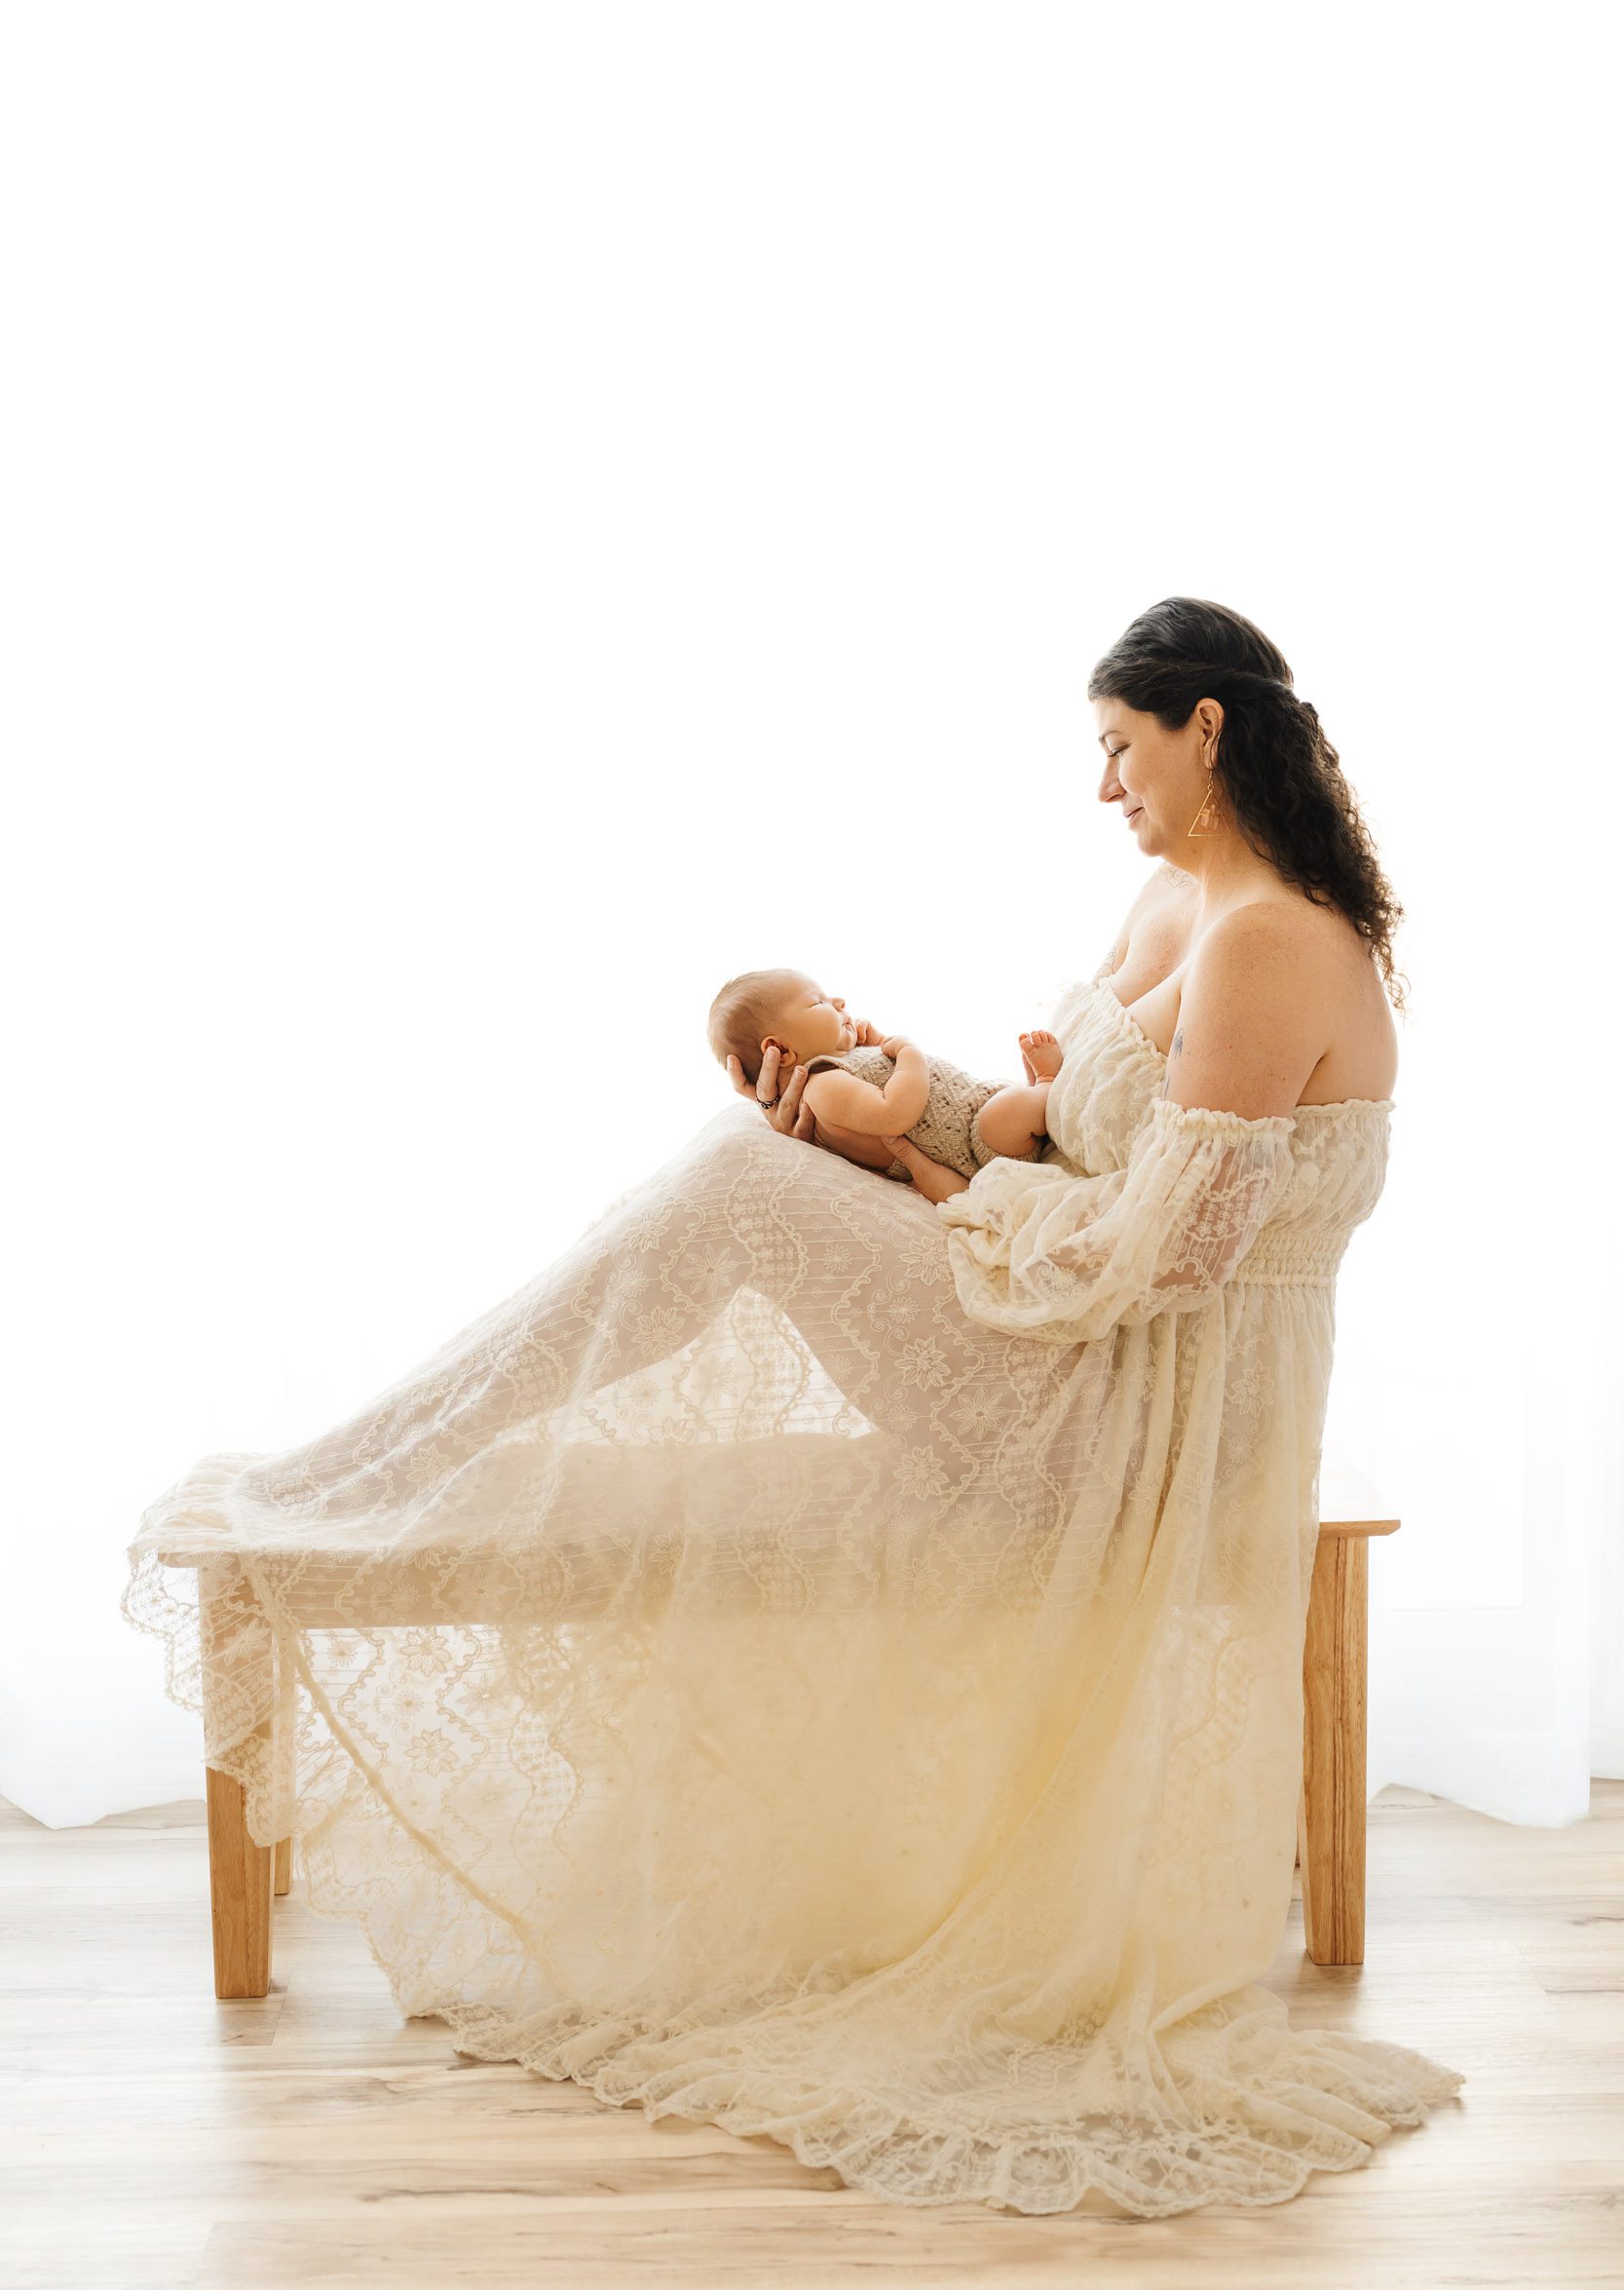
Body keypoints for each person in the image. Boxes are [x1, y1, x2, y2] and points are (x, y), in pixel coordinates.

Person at [122, 595, 1464, 2221]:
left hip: (1152, 1420)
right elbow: (1054, 1140)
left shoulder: (1269, 939)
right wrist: (887, 1100)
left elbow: (1169, 1258)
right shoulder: (1177, 897)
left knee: (735, 1190)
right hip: (1089, 1345)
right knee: (749, 1163)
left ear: (1207, 727)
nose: (1101, 784)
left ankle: (380, 1463)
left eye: (1118, 748)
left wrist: (934, 1196)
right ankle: (392, 1457)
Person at [706, 964, 1063, 1182]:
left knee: (1009, 1106)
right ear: (781, 1051)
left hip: (977, 1119)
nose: (839, 1001)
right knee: (1006, 1114)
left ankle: (1032, 1095)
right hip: (980, 1149)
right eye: (817, 1002)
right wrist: (908, 1052)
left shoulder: (838, 1070)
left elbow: (879, 1077)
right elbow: (894, 1113)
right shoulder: (821, 1087)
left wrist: (876, 1043)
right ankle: (1048, 1081)